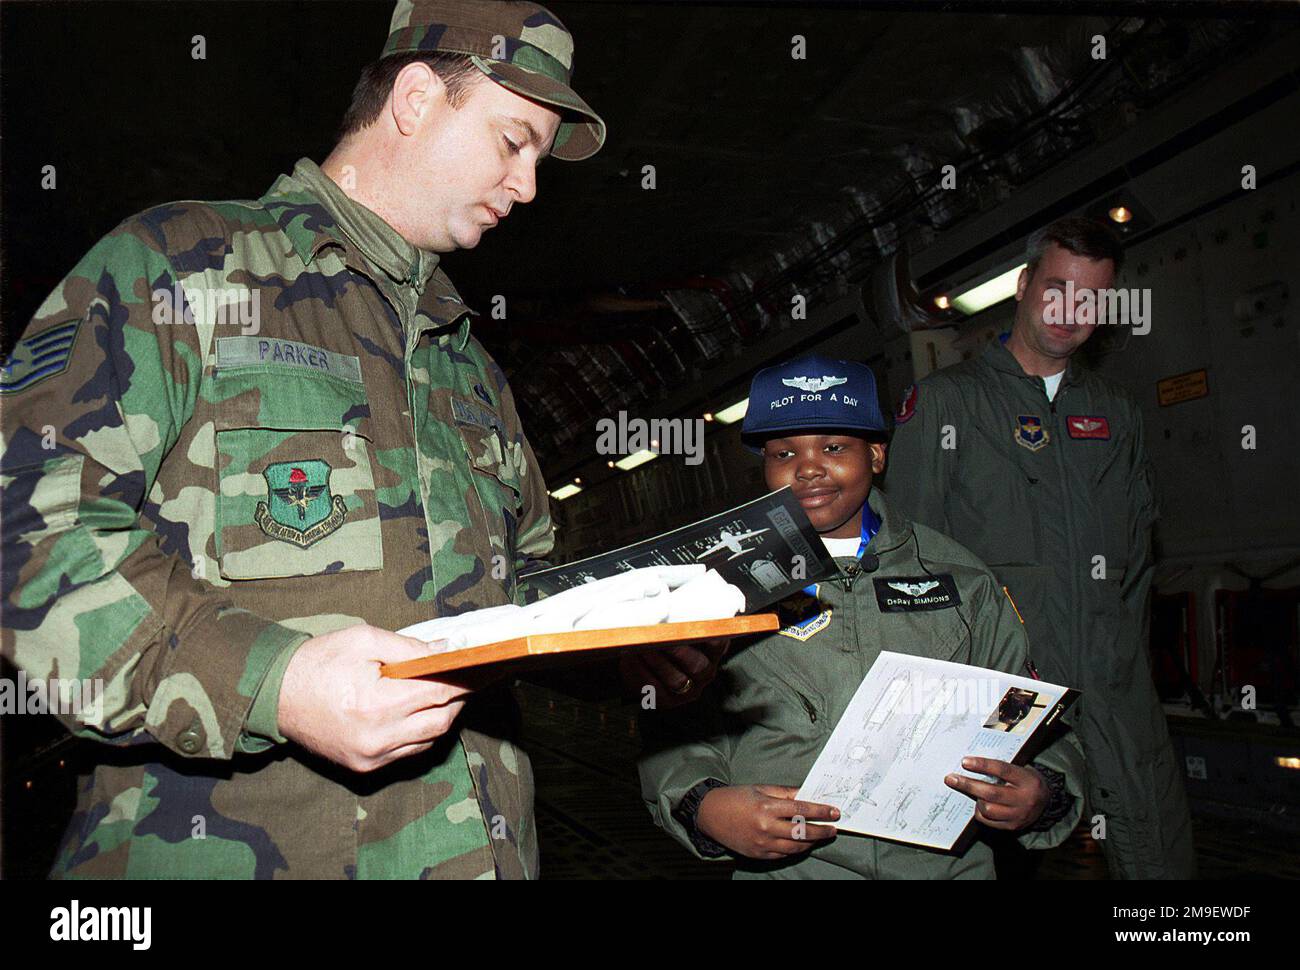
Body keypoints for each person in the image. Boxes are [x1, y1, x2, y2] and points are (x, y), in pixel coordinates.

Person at [0, 0, 617, 880]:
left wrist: (646, 627)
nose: (526, 186)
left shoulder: (469, 366)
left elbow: (527, 586)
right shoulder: (182, 267)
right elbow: (25, 529)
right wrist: (273, 685)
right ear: (412, 100)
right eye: (513, 141)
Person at [637, 354, 1086, 878]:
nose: (808, 468)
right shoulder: (719, 588)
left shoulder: (962, 580)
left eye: (833, 447)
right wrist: (705, 807)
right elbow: (673, 722)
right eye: (784, 452)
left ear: (875, 455)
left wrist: (1041, 790)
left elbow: (1036, 722)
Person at [886, 217, 1196, 878]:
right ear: (1024, 286)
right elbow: (909, 564)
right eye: (1057, 289)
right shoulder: (948, 404)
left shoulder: (1117, 414)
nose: (1070, 311)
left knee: (1154, 847)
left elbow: (1140, 562)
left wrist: (1126, 660)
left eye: (1090, 298)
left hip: (1112, 680)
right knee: (997, 853)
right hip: (1002, 687)